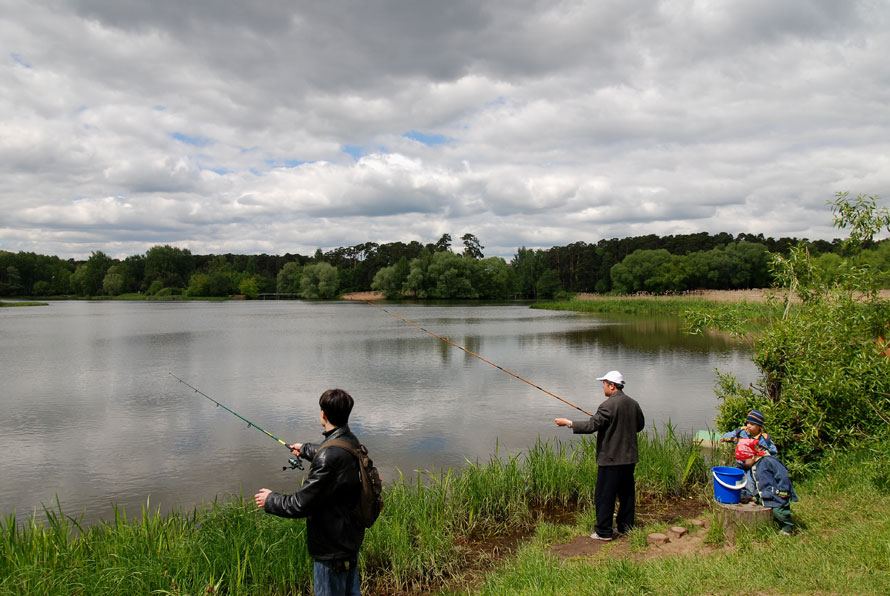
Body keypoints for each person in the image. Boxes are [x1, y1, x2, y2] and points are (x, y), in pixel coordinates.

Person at [254, 389, 364, 596]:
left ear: (323, 414)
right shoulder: (352, 442)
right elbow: (333, 452)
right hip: (350, 541)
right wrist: (304, 449)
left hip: (331, 551)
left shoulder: (329, 458)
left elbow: (300, 504)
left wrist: (270, 500)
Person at [555, 370, 645, 541]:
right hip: (629, 458)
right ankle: (626, 527)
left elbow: (591, 426)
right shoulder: (633, 403)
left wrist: (568, 423)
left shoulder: (607, 406)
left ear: (612, 386)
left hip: (610, 460)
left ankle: (604, 531)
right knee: (626, 494)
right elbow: (639, 426)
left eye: (604, 384)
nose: (603, 387)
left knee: (605, 495)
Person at [735, 438, 798, 535]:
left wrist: (784, 490)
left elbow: (782, 475)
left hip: (777, 495)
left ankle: (788, 527)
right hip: (766, 494)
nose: (743, 464)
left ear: (751, 456)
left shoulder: (769, 461)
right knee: (764, 505)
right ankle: (774, 523)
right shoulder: (755, 465)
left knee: (780, 512)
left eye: (744, 461)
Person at [721, 409, 778, 497]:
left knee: (750, 482)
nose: (749, 426)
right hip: (741, 464)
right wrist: (726, 438)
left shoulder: (763, 439)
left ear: (759, 426)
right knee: (738, 481)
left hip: (754, 466)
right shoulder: (742, 433)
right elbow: (730, 436)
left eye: (752, 424)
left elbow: (772, 452)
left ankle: (749, 497)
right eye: (748, 423)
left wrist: (767, 458)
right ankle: (739, 495)